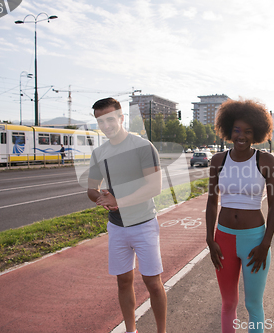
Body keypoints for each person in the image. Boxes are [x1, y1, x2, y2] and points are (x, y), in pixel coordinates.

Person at [86, 97, 166, 333]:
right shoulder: (99, 153)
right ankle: (131, 330)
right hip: (117, 227)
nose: (106, 125)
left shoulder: (143, 146)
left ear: (121, 118)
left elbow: (154, 187)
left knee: (152, 282)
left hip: (143, 225)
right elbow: (91, 189)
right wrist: (100, 197)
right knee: (123, 281)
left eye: (110, 119)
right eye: (100, 121)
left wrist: (118, 200)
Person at [206, 99, 274, 333]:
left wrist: (265, 245)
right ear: (229, 131)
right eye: (237, 130)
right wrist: (210, 239)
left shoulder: (265, 160)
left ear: (256, 133)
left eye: (248, 131)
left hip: (255, 240)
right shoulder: (218, 161)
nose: (242, 136)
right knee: (228, 303)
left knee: (253, 304)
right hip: (224, 238)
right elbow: (211, 201)